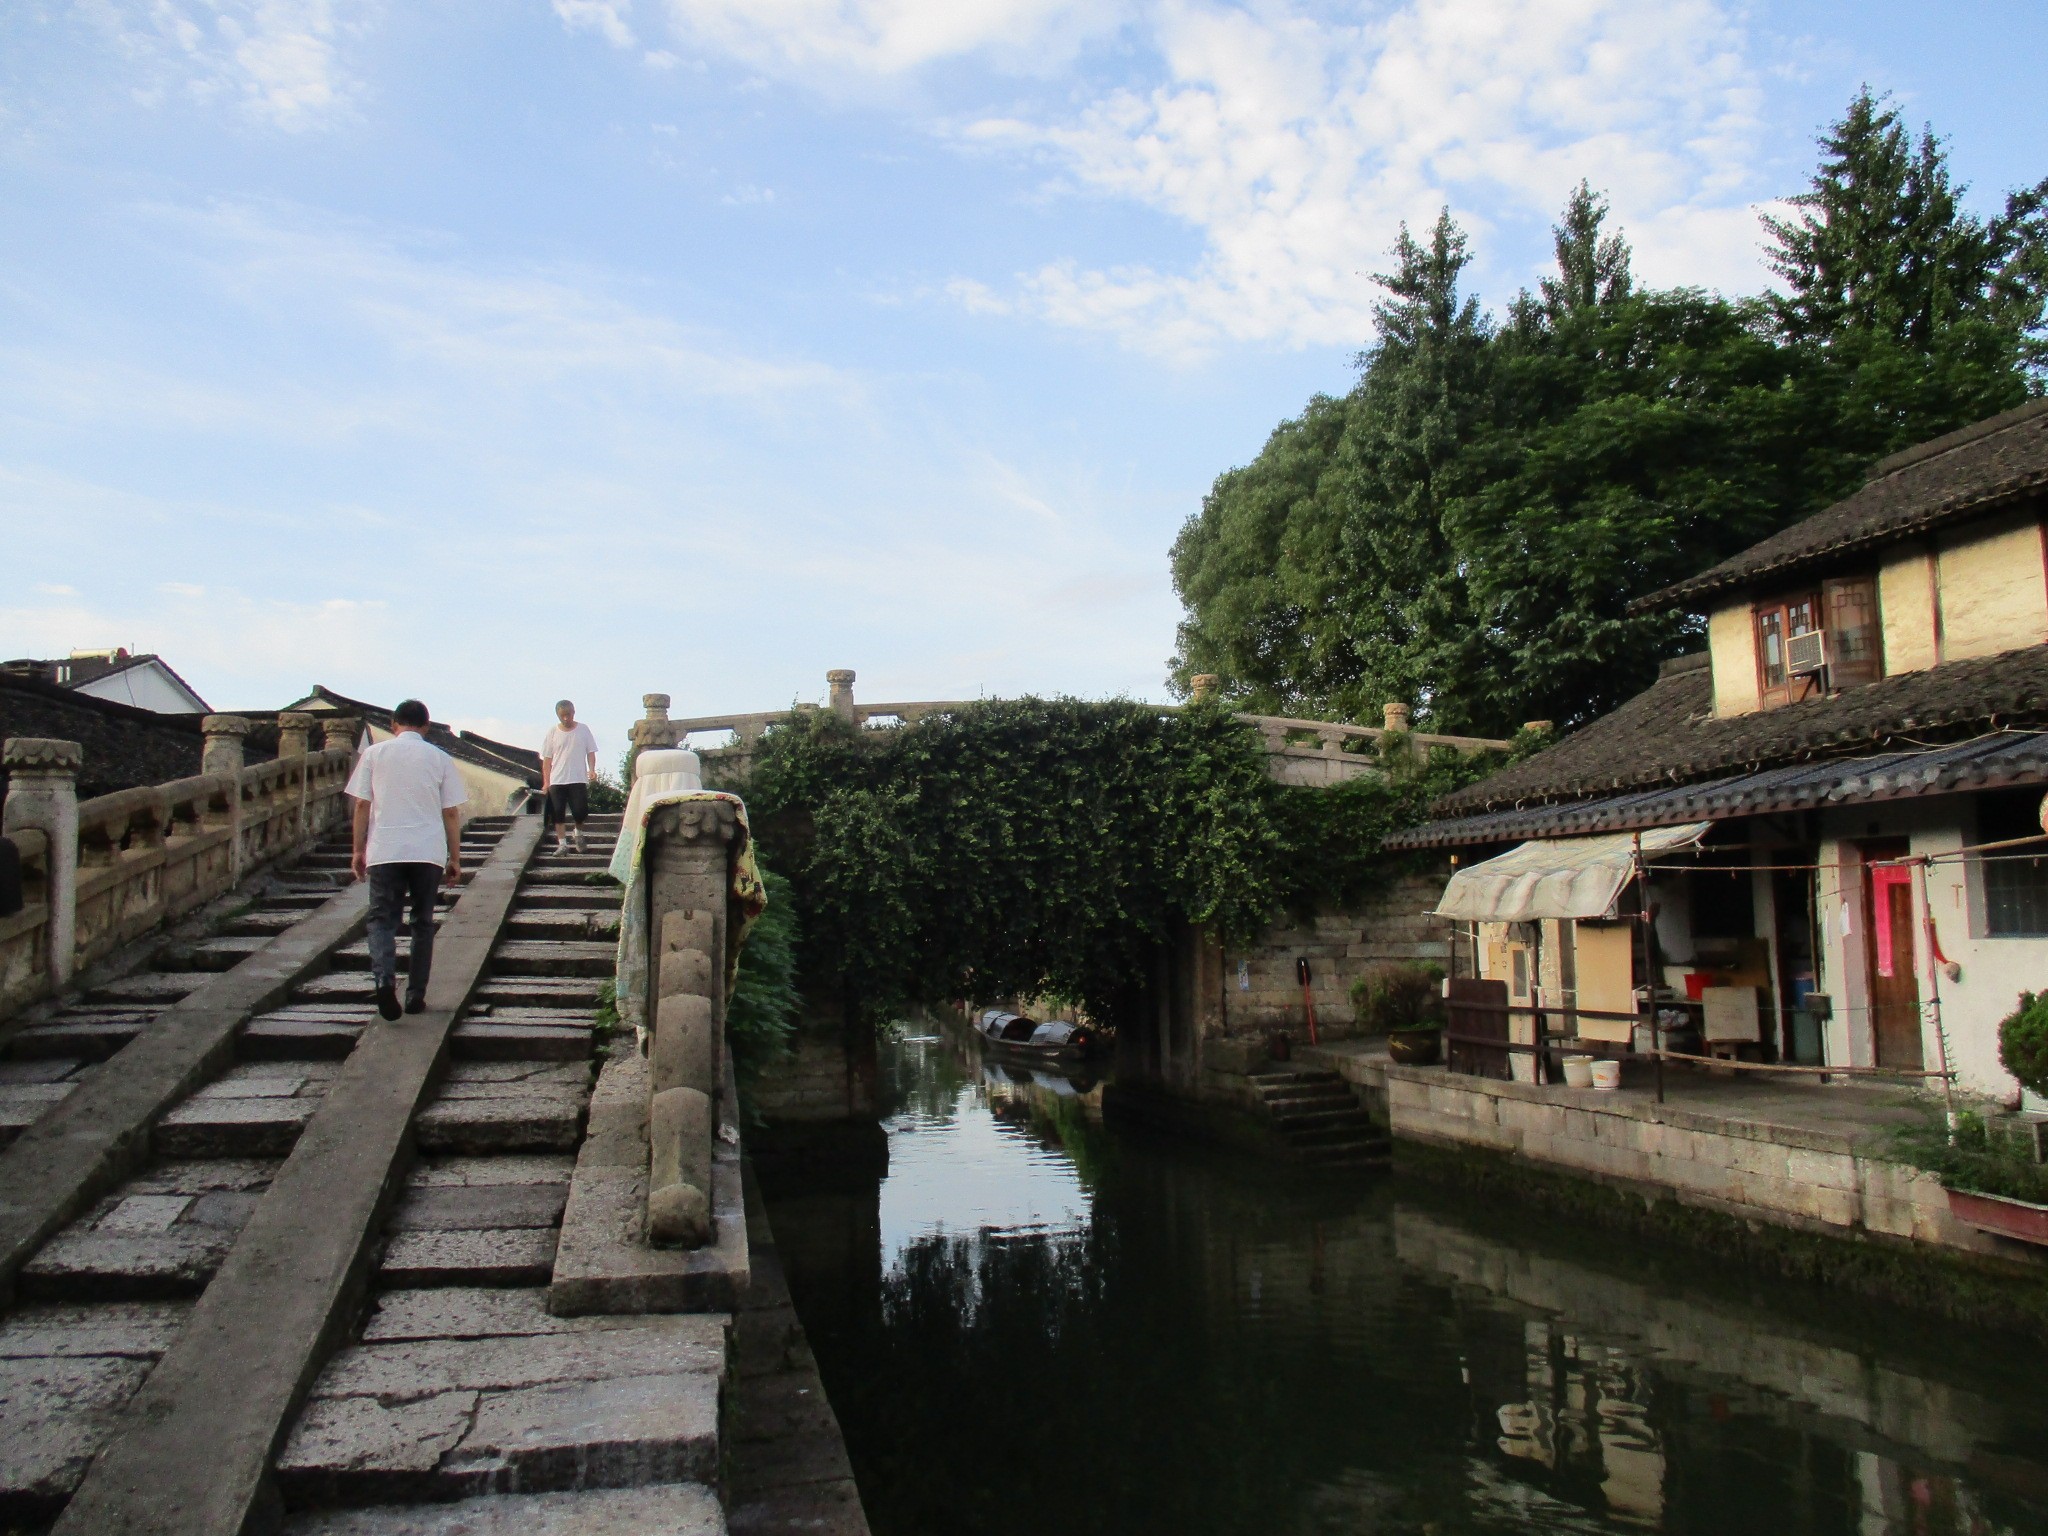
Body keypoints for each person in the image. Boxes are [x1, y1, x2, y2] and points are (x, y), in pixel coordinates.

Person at [346, 699, 468, 1020]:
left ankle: (384, 979)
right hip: (427, 853)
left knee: (382, 919)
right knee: (422, 922)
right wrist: (454, 858)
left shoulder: (374, 755)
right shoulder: (440, 758)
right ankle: (415, 995)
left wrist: (358, 850)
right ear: (426, 727)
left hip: (385, 850)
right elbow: (451, 812)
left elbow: (361, 805)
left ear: (393, 725)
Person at [540, 700, 599, 854]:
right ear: (558, 716)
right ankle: (562, 844)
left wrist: (592, 769)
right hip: (557, 780)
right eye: (562, 716)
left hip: (578, 778)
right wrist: (546, 782)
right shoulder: (552, 732)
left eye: (568, 715)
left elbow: (591, 752)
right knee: (557, 812)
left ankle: (578, 833)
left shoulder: (583, 730)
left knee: (580, 811)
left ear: (574, 713)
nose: (566, 718)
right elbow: (547, 760)